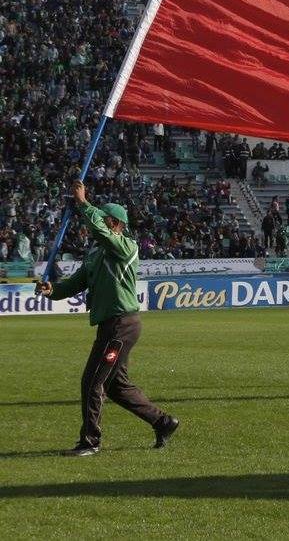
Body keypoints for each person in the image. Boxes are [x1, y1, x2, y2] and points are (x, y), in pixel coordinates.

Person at [36, 182, 179, 456]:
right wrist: (52, 290)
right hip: (111, 325)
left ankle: (90, 442)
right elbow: (75, 283)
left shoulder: (127, 247)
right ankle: (163, 422)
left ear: (115, 224)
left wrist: (83, 203)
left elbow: (99, 230)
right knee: (116, 386)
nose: (97, 224)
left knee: (92, 382)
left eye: (103, 219)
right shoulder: (96, 253)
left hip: (121, 325)